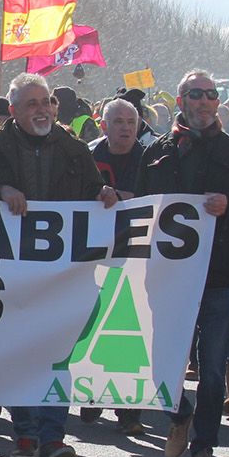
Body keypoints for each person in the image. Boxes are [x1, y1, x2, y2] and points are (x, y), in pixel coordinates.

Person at [0, 72, 115, 457]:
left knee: (57, 354)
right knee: (21, 352)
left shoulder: (73, 148)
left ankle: (52, 438)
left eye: (45, 102)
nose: (41, 110)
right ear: (13, 111)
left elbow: (93, 191)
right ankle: (26, 429)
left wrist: (103, 194)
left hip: (64, 274)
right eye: (31, 104)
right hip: (10, 272)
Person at [136, 70, 229, 457]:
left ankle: (203, 447)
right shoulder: (157, 150)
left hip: (220, 276)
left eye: (211, 94)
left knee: (210, 368)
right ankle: (180, 414)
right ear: (181, 100)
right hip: (168, 276)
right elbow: (139, 207)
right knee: (161, 361)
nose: (206, 101)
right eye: (197, 94)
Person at [77, 97, 150, 435]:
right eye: (117, 121)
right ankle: (92, 395)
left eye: (130, 122)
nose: (124, 128)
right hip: (95, 252)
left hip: (137, 253)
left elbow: (157, 198)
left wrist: (120, 196)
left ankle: (129, 410)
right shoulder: (87, 155)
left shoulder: (150, 157)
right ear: (103, 125)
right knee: (91, 323)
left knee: (126, 330)